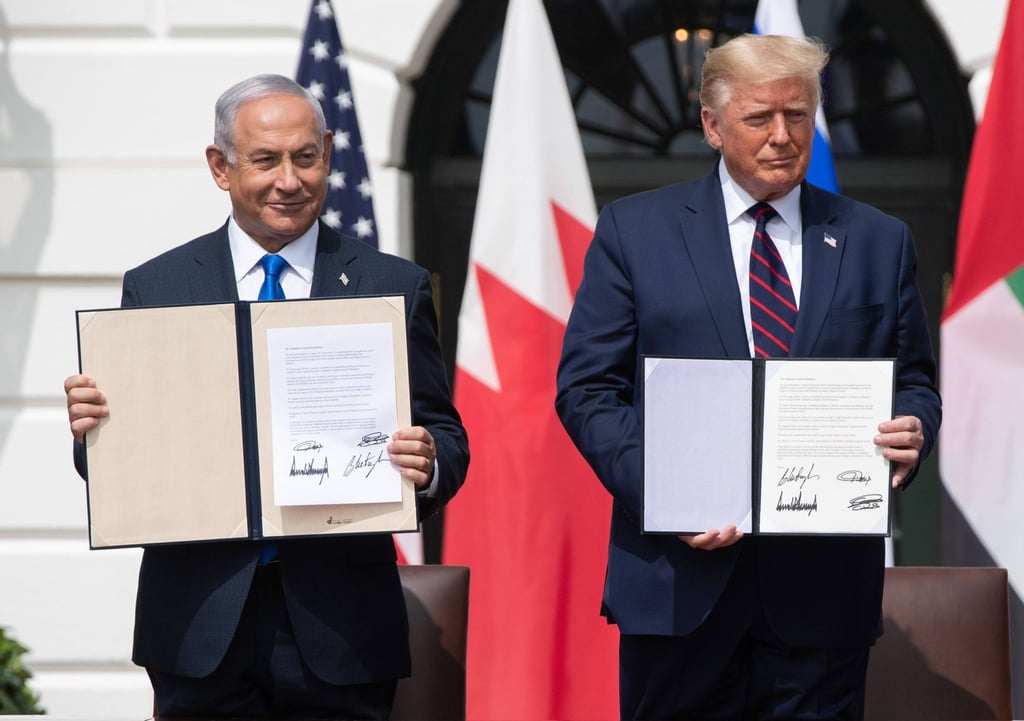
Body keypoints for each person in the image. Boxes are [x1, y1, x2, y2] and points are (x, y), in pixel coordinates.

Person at [555, 34, 941, 721]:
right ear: (712, 125)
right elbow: (587, 389)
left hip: (823, 598)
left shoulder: (878, 241)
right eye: (760, 118)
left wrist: (914, 429)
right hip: (680, 587)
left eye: (798, 116)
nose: (782, 137)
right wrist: (667, 492)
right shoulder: (634, 232)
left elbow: (914, 382)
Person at [64, 74, 469, 719]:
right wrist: (95, 434)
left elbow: (446, 436)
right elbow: (119, 470)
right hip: (200, 626)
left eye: (306, 157)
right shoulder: (158, 287)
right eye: (265, 160)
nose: (289, 180)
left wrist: (429, 463)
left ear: (328, 154)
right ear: (220, 167)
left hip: (342, 630)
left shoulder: (392, 285)